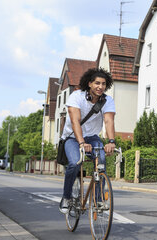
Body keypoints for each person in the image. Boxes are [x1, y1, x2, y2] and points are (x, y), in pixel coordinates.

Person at [59, 68, 116, 214]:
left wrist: (111, 141)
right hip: (72, 138)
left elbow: (109, 121)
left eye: (103, 84)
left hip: (93, 138)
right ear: (89, 83)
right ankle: (66, 197)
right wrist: (82, 143)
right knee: (75, 162)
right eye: (97, 83)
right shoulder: (76, 96)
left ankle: (98, 200)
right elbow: (75, 121)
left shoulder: (107, 100)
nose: (100, 87)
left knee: (101, 162)